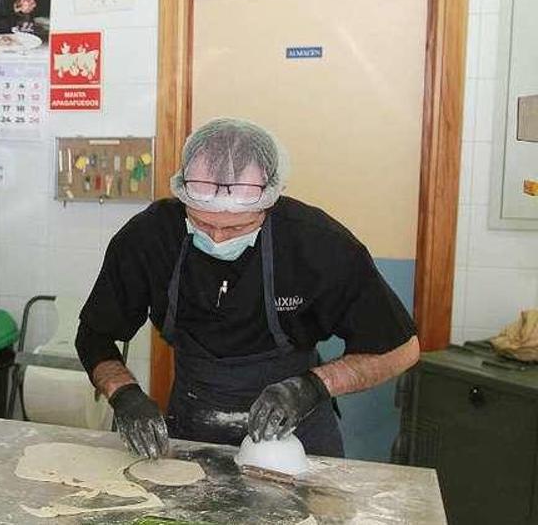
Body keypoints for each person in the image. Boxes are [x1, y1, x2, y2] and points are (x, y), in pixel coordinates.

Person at [76, 118, 420, 459]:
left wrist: (313, 387)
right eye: (202, 223)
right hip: (192, 428)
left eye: (237, 226)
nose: (217, 237)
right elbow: (95, 336)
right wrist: (124, 393)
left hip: (297, 439)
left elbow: (402, 349)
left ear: (269, 204)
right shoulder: (149, 238)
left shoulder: (317, 243)